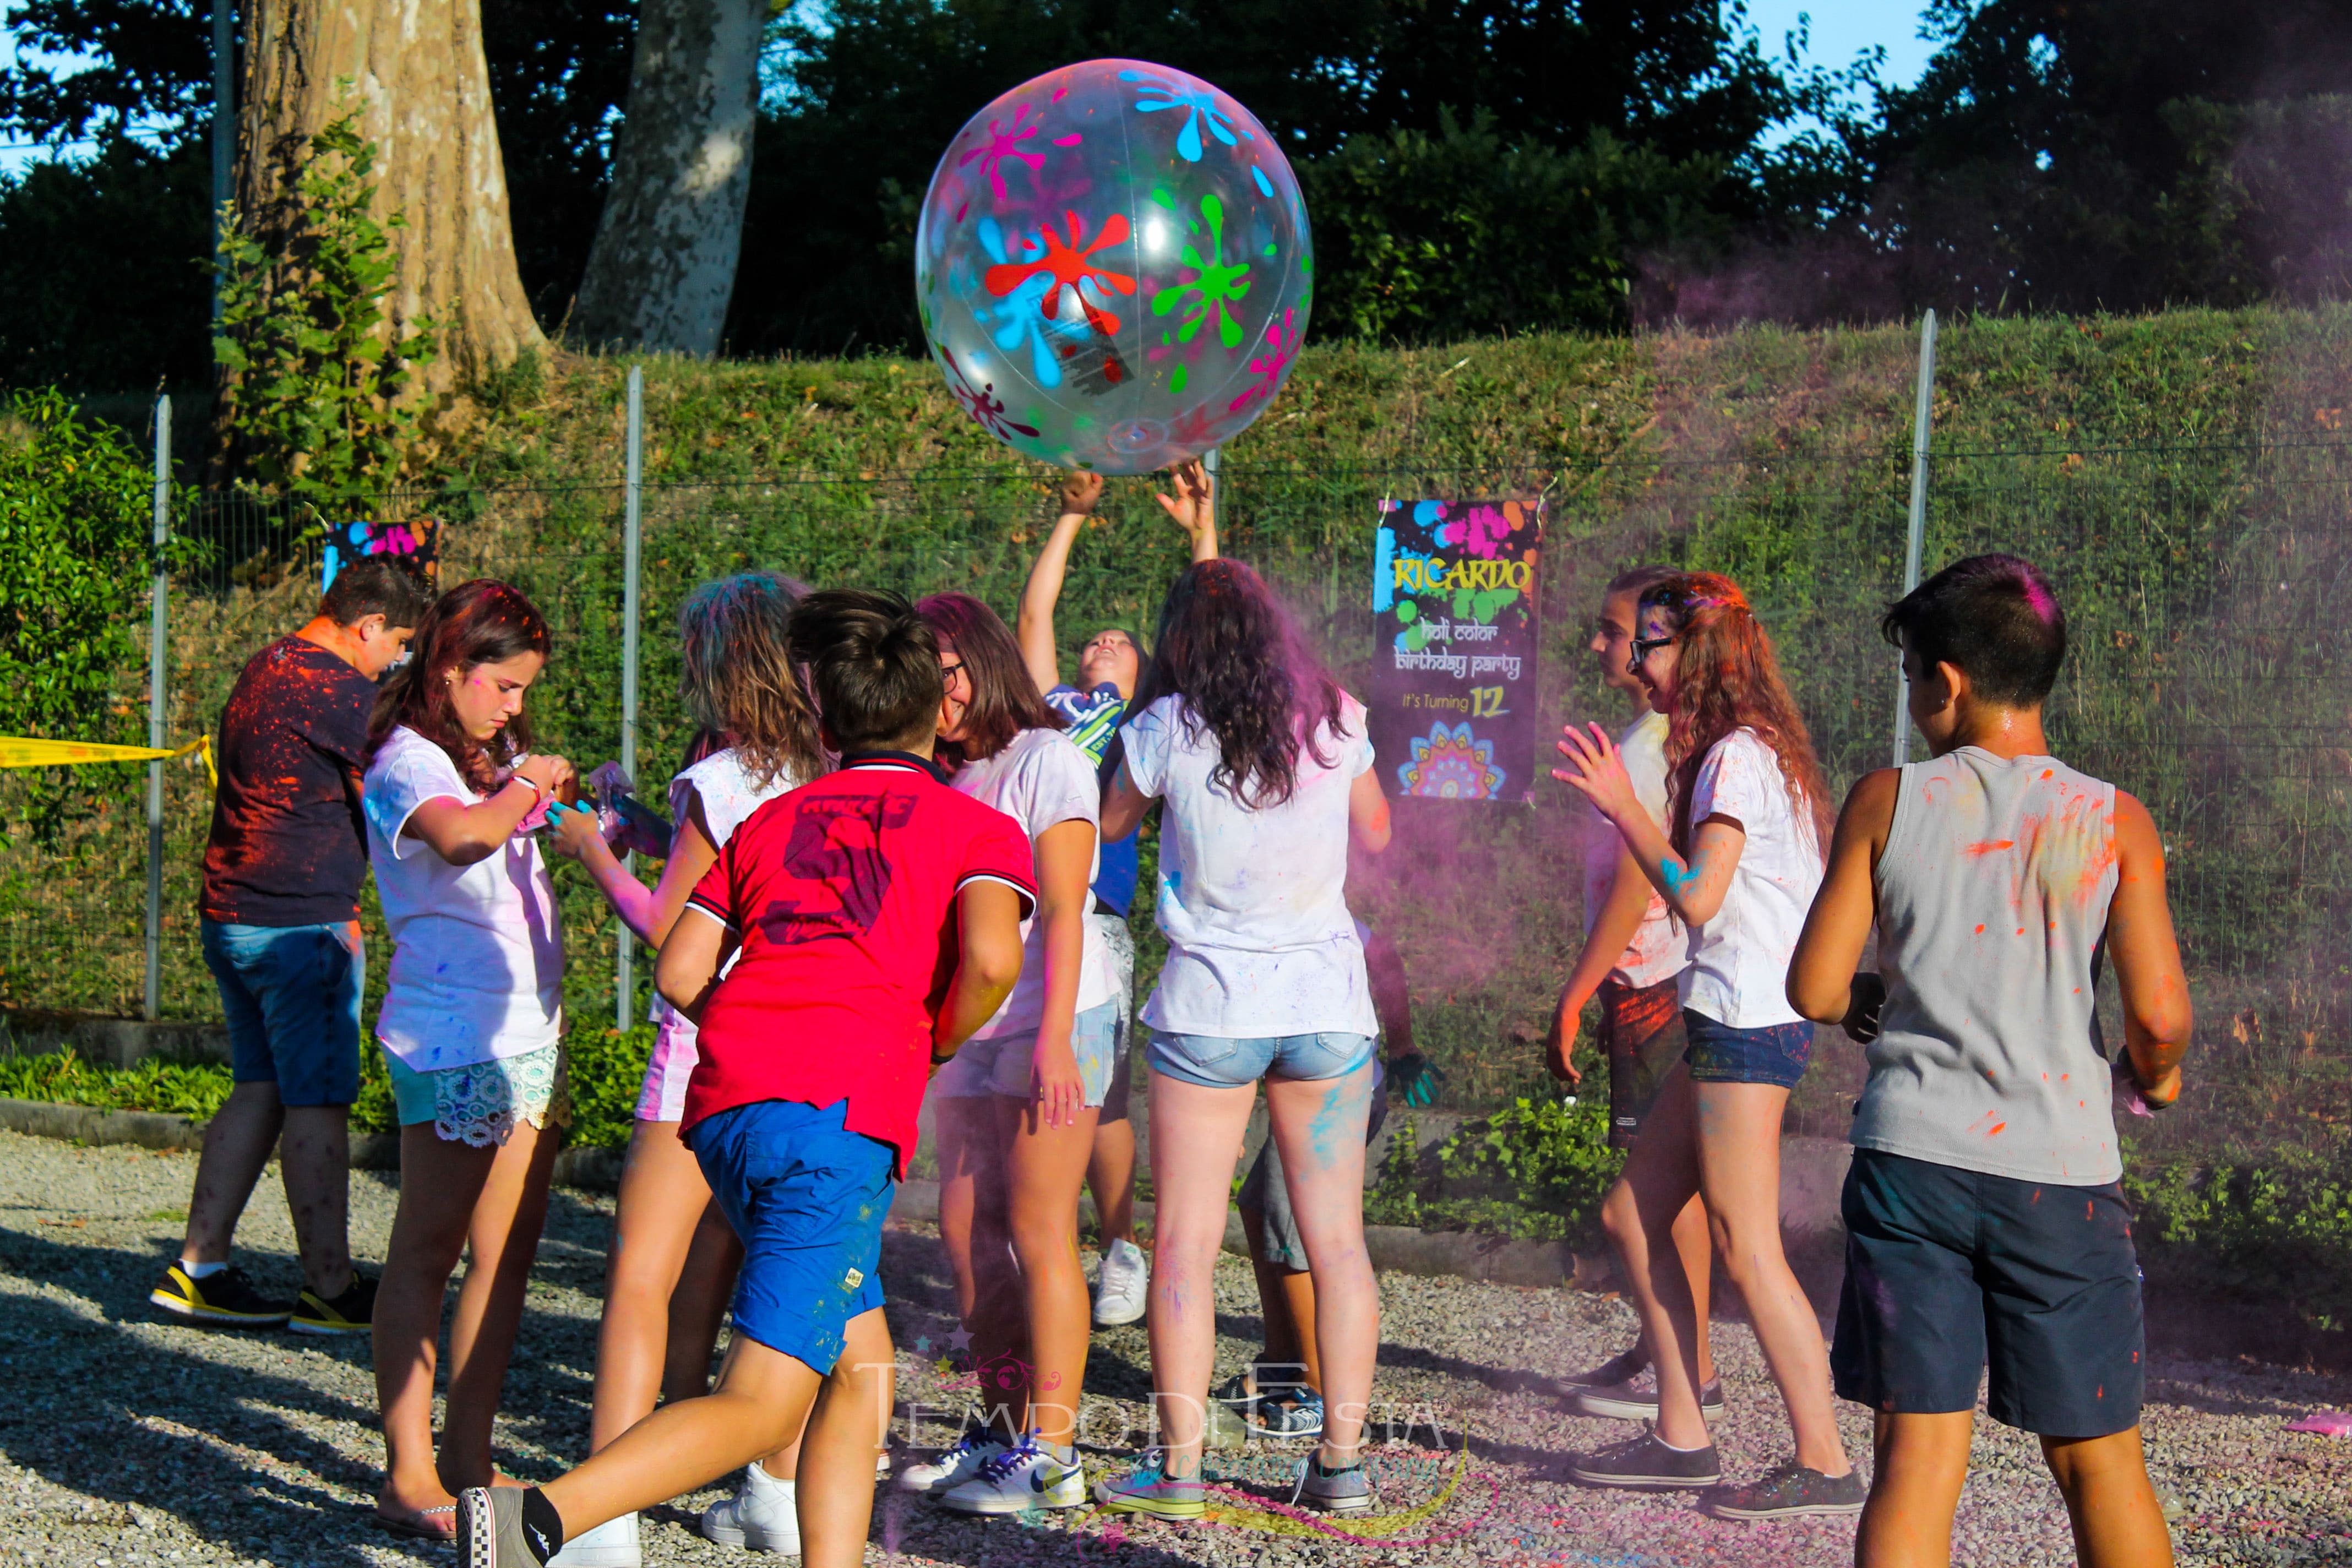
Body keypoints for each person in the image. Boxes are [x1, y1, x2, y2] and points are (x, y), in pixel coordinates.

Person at [457, 587, 1036, 1568]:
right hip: (836, 1122)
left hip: (728, 1112)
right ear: (939, 710)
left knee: (860, 1369)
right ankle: (537, 1521)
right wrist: (931, 1039)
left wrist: (764, 1036)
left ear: (827, 716)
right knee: (764, 1398)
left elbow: (681, 969)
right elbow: (990, 960)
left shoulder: (768, 821)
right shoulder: (972, 827)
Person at [1788, 554, 2188, 1566]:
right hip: (2059, 1176)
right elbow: (2159, 1013)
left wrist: (1871, 1000)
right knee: (2096, 1459)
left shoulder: (1886, 801)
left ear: (1948, 682)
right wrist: (2159, 1071)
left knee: (1916, 1457)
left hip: (1910, 1165)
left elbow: (1815, 988)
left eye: (1912, 675)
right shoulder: (2113, 819)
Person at [1553, 571, 1861, 1518]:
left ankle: (1824, 1458)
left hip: (1745, 1022)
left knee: (1743, 1242)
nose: (1635, 660)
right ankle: (1682, 1434)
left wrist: (1622, 806)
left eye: (1649, 643)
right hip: (1730, 1016)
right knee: (1633, 1214)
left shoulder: (1735, 755)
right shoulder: (1756, 750)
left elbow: (1694, 895)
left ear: (1695, 653)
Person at [1092, 557, 1393, 1519]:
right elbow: (1379, 836)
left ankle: (1180, 1470)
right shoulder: (1337, 715)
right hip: (1325, 1008)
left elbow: (1103, 823)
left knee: (1183, 1243)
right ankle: (1340, 1467)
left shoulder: (1164, 728)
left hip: (1209, 1010)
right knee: (1338, 1244)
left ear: (1179, 639)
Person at [541, 573, 829, 1568]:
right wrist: (654, 836)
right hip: (808, 1057)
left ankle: (604, 1518)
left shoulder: (720, 776)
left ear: (719, 662)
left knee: (640, 1280)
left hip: (708, 1050)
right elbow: (738, 884)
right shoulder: (832, 770)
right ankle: (774, 1493)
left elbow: (674, 928)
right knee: (781, 1285)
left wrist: (592, 849)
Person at [153, 559, 426, 1333]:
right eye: (400, 644)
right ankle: (331, 1289)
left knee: (259, 1086)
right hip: (303, 926)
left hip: (231, 914)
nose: (397, 662)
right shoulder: (339, 690)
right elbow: (399, 787)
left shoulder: (267, 663)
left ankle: (199, 1265)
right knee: (318, 1101)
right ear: (369, 625)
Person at [362, 580, 574, 1540]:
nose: (515, 705)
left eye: (525, 689)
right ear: (450, 668)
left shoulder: (473, 753)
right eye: (504, 684)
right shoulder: (408, 760)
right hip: (452, 1041)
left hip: (527, 1032)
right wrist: (526, 787)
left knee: (509, 1249)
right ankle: (407, 1468)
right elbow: (459, 837)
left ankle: (468, 1454)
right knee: (428, 1247)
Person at [898, 591, 1118, 1513]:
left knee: (1037, 1232)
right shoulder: (936, 773)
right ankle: (998, 1427)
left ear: (979, 663)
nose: (930, 695)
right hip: (970, 1029)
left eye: (939, 673)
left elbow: (1066, 907)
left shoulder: (1048, 760)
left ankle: (1054, 1454)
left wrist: (1058, 1038)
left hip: (1053, 1020)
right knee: (964, 1232)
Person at [1013, 459, 1219, 1329]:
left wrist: (1203, 534)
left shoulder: (1149, 728)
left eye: (1122, 641)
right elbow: (1034, 616)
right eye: (1094, 637)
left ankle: (1121, 1248)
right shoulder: (1048, 711)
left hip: (1094, 930)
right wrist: (1071, 517)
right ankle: (1035, 1248)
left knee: (1099, 1101)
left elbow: (1213, 628)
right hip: (1019, 917)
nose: (1103, 640)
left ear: (1149, 672)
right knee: (1021, 1091)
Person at [1545, 565, 1721, 1423]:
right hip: (1658, 981)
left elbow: (1633, 884)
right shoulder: (1655, 738)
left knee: (1660, 1191)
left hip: (1652, 982)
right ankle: (1674, 1351)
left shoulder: (1649, 752)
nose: (1602, 646)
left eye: (1615, 632)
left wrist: (1576, 993)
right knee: (1666, 1185)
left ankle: (1689, 1371)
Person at [1216, 918, 1439, 1439]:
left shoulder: (1311, 907)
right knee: (1258, 1205)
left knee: (1290, 1225)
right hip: (1322, 1089)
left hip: (1336, 1096)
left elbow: (1382, 959)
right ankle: (1281, 1363)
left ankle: (1316, 1389)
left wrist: (1403, 1046)